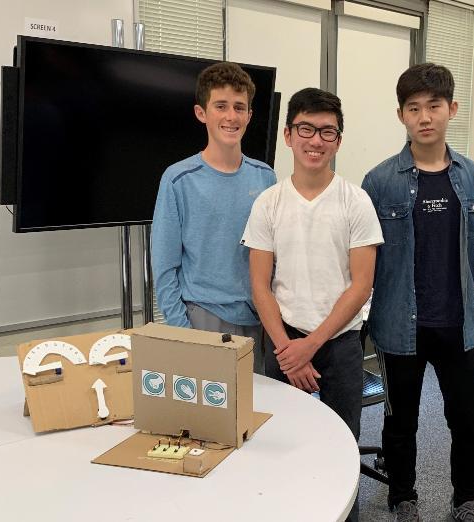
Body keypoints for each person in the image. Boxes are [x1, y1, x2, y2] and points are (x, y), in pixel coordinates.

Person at [241, 87, 383, 522]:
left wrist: (311, 345)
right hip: (282, 341)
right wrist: (289, 348)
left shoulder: (355, 200)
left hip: (339, 344)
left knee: (343, 442)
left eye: (327, 132)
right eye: (306, 129)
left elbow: (361, 286)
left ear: (338, 140)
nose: (315, 140)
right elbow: (259, 286)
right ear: (288, 135)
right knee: (282, 441)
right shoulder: (269, 203)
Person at [361, 63, 474, 522]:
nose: (425, 116)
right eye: (413, 108)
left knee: (470, 423)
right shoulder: (379, 182)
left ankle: (465, 500)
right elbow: (369, 259)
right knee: (400, 424)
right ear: (401, 115)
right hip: (399, 325)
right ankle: (403, 497)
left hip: (462, 325)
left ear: (451, 108)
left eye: (434, 105)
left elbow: (468, 250)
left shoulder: (473, 177)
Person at [151, 62, 276, 373]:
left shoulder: (266, 178)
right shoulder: (178, 179)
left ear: (249, 114)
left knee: (257, 412)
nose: (231, 116)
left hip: (259, 321)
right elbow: (165, 268)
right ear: (201, 113)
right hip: (202, 319)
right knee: (208, 418)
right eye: (220, 106)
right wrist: (184, 333)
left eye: (239, 107)